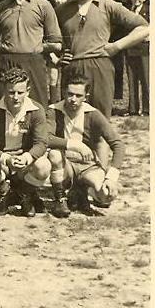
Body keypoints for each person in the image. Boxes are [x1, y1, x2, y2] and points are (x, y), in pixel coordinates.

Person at [56, 0, 149, 118]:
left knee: (100, 121)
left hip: (100, 65)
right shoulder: (62, 10)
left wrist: (117, 46)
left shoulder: (108, 5)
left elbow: (145, 28)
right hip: (72, 68)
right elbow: (47, 37)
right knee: (70, 122)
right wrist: (56, 57)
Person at [46, 75, 125, 215]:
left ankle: (81, 190)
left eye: (78, 95)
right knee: (54, 154)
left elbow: (118, 144)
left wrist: (111, 178)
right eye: (70, 94)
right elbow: (45, 138)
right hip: (66, 164)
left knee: (107, 196)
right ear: (64, 92)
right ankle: (61, 199)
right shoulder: (53, 110)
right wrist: (76, 145)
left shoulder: (93, 114)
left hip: (87, 165)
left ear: (86, 96)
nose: (73, 99)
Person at [0, 67, 50, 218]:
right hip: (3, 160)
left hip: (24, 160)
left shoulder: (36, 110)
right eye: (11, 92)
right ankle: (5, 192)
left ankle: (24, 192)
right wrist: (6, 158)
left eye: (20, 92)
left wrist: (27, 157)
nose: (15, 97)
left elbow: (41, 142)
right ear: (4, 91)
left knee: (44, 166)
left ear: (28, 91)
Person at [101, 0, 132, 101]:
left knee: (117, 71)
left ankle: (113, 100)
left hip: (117, 41)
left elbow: (130, 13)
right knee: (103, 72)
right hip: (102, 39)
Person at [125, 0, 149, 116]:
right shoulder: (129, 11)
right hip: (130, 49)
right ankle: (133, 109)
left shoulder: (149, 10)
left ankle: (147, 109)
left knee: (146, 79)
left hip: (144, 50)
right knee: (132, 80)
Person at [47, 0, 70, 104]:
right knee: (53, 76)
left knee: (66, 77)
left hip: (68, 49)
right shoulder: (50, 14)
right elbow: (45, 35)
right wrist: (52, 55)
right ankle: (53, 102)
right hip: (53, 49)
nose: (59, 1)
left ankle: (65, 101)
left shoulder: (71, 15)